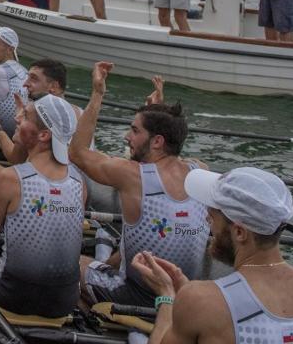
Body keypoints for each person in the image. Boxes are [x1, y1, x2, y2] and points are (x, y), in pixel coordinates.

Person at [131, 167, 293, 344]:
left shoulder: (199, 298)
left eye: (212, 216)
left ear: (240, 232)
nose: (207, 222)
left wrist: (167, 295)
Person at [69, 61, 210, 308]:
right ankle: (108, 263)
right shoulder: (200, 171)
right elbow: (171, 151)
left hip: (138, 297)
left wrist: (98, 94)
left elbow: (78, 153)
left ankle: (88, 310)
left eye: (134, 130)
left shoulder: (132, 175)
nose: (127, 137)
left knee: (67, 261)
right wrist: (157, 112)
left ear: (157, 141)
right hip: (185, 299)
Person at [0, 94, 84, 317]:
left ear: (44, 135)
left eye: (25, 116)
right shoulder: (78, 181)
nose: (16, 118)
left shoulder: (10, 178)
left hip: (13, 296)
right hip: (63, 303)